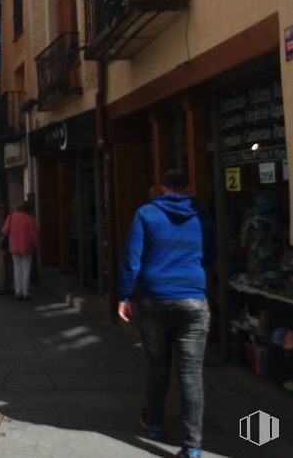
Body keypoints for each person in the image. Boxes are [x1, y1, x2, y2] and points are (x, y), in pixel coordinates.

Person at [117, 169, 216, 458]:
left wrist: (125, 295)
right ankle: (193, 444)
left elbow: (131, 258)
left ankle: (156, 425)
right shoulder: (202, 216)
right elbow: (211, 254)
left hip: (154, 299)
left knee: (158, 365)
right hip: (193, 300)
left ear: (162, 188)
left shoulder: (146, 214)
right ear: (188, 186)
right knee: (191, 373)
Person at [1, 200, 38, 299]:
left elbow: (4, 231)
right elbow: (34, 235)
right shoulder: (30, 219)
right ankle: (26, 292)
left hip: (14, 246)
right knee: (26, 269)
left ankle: (18, 291)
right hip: (27, 247)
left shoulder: (11, 217)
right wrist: (36, 245)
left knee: (17, 269)